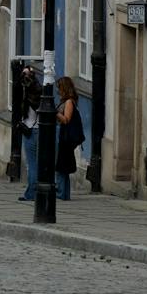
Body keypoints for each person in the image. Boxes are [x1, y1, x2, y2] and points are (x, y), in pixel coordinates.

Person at [54, 75, 84, 204]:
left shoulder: (69, 102)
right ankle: (64, 193)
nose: (58, 91)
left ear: (64, 88)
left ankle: (61, 192)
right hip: (62, 135)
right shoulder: (66, 101)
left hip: (65, 137)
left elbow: (66, 119)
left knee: (61, 165)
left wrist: (54, 113)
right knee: (63, 165)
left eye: (59, 88)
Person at [17, 65, 41, 202]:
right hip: (40, 130)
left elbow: (18, 83)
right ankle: (36, 190)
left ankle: (31, 193)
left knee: (32, 164)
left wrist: (25, 75)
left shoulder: (27, 96)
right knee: (38, 163)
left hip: (30, 131)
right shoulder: (39, 94)